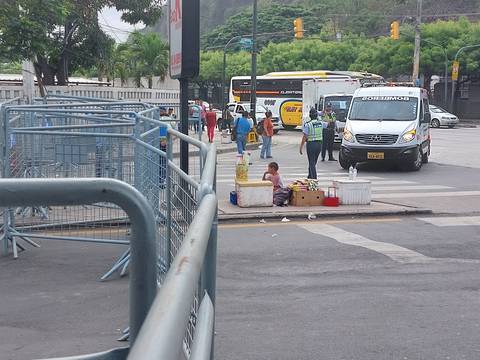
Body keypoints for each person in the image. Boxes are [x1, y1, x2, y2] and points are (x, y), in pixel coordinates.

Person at [299, 108, 323, 179]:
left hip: (311, 144)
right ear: (316, 115)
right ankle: (310, 176)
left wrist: (301, 147)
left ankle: (314, 179)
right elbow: (328, 124)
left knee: (311, 162)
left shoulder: (308, 125)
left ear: (310, 115)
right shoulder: (320, 123)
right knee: (314, 162)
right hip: (319, 144)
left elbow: (305, 136)